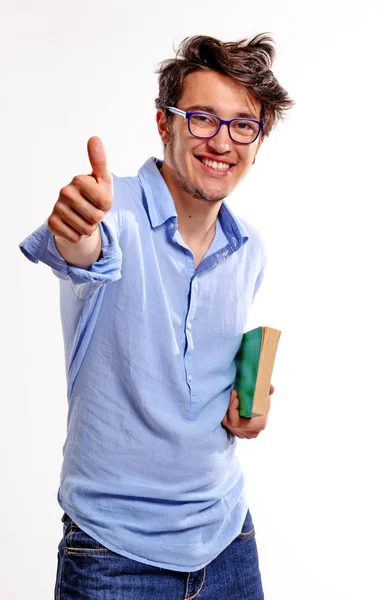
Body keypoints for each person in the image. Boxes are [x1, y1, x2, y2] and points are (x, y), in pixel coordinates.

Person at [20, 33, 293, 600]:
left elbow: (202, 372)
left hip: (228, 541)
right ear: (164, 124)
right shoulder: (110, 210)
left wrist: (246, 406)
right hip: (113, 555)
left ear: (258, 139)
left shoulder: (249, 249)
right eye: (201, 118)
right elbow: (85, 251)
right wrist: (77, 229)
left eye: (243, 124)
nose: (222, 141)